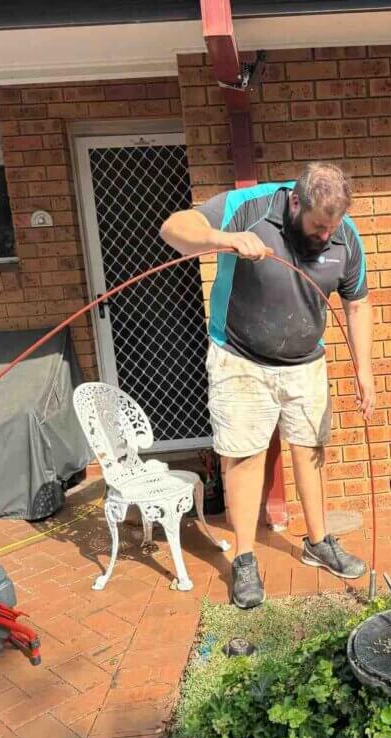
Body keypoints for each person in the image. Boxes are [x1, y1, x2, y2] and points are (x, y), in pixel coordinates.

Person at [160, 163, 375, 608]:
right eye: (318, 226)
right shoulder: (248, 207)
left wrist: (364, 370)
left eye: (332, 228)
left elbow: (357, 306)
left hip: (305, 362)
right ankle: (243, 558)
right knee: (243, 454)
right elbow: (174, 228)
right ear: (296, 202)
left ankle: (318, 541)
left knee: (310, 446)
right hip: (240, 357)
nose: (325, 236)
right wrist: (224, 239)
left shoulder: (345, 235)